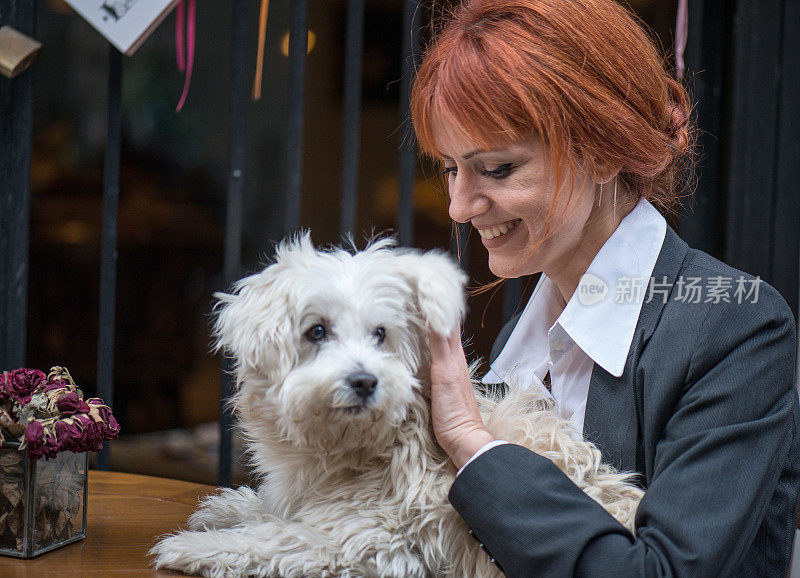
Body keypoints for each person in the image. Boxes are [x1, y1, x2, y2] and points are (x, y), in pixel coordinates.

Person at [409, 0, 800, 576]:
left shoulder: (738, 327)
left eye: (496, 169)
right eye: (450, 168)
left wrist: (471, 443)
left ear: (602, 150)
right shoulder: (521, 340)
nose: (459, 206)